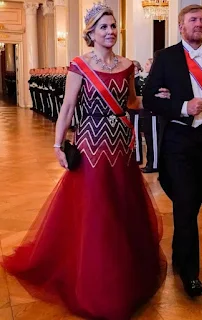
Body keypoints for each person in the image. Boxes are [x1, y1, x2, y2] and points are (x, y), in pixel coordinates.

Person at [1, 4, 166, 320]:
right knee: (97, 213)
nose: (110, 31)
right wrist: (56, 143)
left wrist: (160, 99)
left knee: (121, 210)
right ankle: (97, 282)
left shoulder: (128, 65)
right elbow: (68, 107)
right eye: (103, 27)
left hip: (120, 144)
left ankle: (125, 275)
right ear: (90, 33)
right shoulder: (79, 65)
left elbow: (131, 102)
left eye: (113, 26)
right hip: (91, 144)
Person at [143, 4, 202, 297]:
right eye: (193, 20)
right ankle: (190, 274)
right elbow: (148, 99)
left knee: (191, 206)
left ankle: (179, 254)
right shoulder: (166, 58)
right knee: (185, 205)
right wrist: (182, 107)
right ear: (181, 26)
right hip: (178, 144)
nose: (199, 24)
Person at [140, 58, 159, 173]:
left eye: (148, 64)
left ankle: (154, 164)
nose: (145, 66)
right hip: (146, 113)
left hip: (152, 114)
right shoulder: (146, 79)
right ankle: (150, 162)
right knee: (148, 139)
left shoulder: (154, 80)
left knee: (153, 140)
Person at [129, 60, 144, 164]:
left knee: (136, 133)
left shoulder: (140, 80)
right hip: (130, 110)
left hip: (136, 110)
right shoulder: (132, 79)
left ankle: (138, 157)